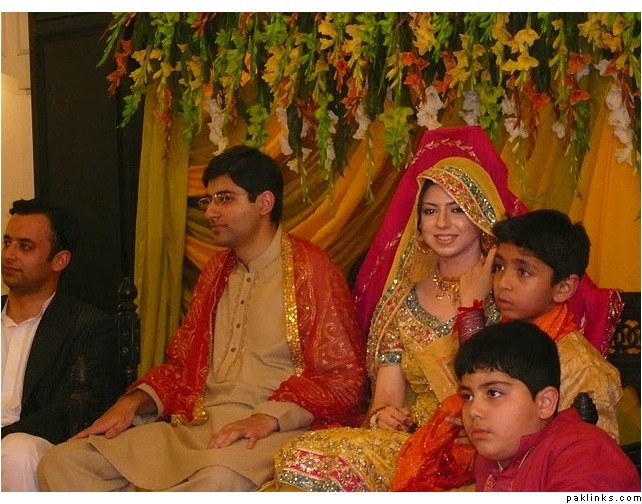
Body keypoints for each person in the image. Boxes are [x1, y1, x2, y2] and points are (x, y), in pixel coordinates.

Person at [37, 145, 366, 491]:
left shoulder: (312, 270)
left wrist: (268, 417)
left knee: (217, 479)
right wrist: (132, 402)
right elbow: (182, 365)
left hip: (267, 432)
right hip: (196, 425)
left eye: (225, 199)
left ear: (264, 203)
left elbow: (344, 379)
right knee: (62, 463)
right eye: (208, 201)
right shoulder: (215, 272)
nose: (210, 212)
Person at [272, 126, 527, 492]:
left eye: (457, 210)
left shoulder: (505, 293)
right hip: (411, 441)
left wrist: (473, 304)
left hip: (475, 445)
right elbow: (386, 398)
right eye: (430, 211)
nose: (442, 224)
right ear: (418, 224)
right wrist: (384, 416)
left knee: (322, 463)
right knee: (300, 455)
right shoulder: (403, 298)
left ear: (480, 214)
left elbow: (502, 381)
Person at [457, 209, 622, 440]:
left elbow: (594, 453)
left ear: (563, 288)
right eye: (499, 267)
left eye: (523, 271)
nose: (503, 283)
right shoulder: (503, 339)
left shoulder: (582, 369)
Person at [1, 198, 118, 492]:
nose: (9, 255)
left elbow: (71, 411)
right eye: (7, 242)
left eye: (25, 247)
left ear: (59, 260)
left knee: (17, 451)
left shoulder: (86, 326)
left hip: (36, 446)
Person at [455, 320, 640, 492]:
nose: (474, 411)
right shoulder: (489, 459)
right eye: (467, 396)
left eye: (493, 393)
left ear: (545, 403)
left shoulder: (582, 452)